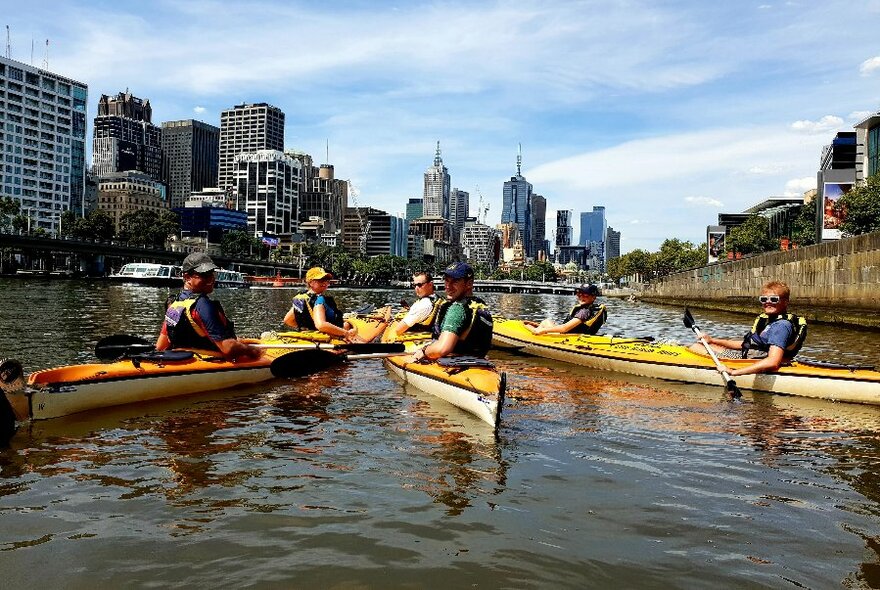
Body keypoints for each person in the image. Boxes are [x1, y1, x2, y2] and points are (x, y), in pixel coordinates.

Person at [689, 280, 807, 376]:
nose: (768, 302)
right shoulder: (770, 321)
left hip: (753, 361)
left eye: (774, 299)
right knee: (709, 345)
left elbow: (773, 362)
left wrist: (734, 372)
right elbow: (746, 344)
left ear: (785, 302)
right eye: (764, 299)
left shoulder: (781, 326)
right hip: (751, 355)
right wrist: (713, 340)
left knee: (695, 347)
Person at [156, 252, 260, 360]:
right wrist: (252, 350)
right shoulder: (203, 305)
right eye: (204, 275)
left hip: (184, 359)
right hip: (209, 362)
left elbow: (161, 346)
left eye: (212, 274)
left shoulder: (174, 304)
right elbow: (228, 348)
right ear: (187, 277)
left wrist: (241, 342)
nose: (211, 279)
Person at [411, 262, 493, 361]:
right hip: (477, 361)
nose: (448, 286)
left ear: (469, 284)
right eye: (446, 280)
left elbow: (443, 349)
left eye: (455, 281)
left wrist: (424, 351)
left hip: (453, 364)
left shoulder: (457, 309)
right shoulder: (478, 305)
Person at [283, 267, 388, 342]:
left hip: (306, 335)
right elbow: (321, 325)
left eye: (326, 280)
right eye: (320, 280)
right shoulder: (320, 300)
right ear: (310, 282)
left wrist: (307, 328)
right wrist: (345, 333)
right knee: (347, 325)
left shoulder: (301, 299)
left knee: (345, 323)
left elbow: (288, 320)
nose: (325, 283)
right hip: (324, 337)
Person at [526, 284, 607, 336]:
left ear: (593, 297)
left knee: (542, 323)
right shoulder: (591, 309)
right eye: (579, 294)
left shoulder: (584, 312)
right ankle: (538, 328)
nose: (581, 297)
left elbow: (564, 329)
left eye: (585, 295)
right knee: (547, 322)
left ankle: (531, 334)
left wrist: (543, 330)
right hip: (578, 335)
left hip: (569, 337)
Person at [389, 271, 442, 340]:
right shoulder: (436, 298)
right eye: (414, 285)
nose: (416, 288)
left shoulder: (423, 305)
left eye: (419, 285)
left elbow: (398, 330)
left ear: (430, 284)